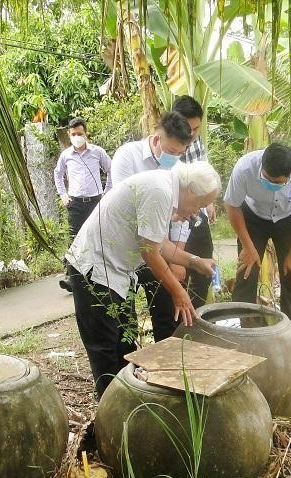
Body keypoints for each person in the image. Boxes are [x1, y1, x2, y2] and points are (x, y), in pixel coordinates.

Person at [66, 161, 221, 398]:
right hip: (94, 271)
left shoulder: (165, 188)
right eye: (199, 204)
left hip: (116, 274)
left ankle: (126, 401)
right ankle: (110, 413)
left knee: (124, 345)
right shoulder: (160, 191)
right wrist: (178, 292)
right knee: (106, 349)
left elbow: (160, 243)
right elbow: (149, 252)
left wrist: (193, 260)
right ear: (190, 190)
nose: (195, 213)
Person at [110, 111, 194, 342]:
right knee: (124, 319)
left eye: (179, 154)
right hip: (126, 250)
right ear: (157, 139)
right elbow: (128, 208)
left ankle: (167, 363)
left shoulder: (176, 167)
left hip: (159, 246)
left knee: (166, 312)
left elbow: (181, 217)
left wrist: (177, 258)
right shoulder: (127, 156)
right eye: (171, 152)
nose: (174, 158)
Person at [223, 142, 291, 329]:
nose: (272, 185)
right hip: (252, 217)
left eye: (278, 183)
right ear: (262, 167)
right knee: (247, 272)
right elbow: (232, 206)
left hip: (289, 218)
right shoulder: (245, 167)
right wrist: (247, 246)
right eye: (267, 179)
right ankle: (244, 330)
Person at [53, 117, 112, 292]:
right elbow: (58, 175)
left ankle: (101, 276)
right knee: (75, 240)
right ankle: (73, 278)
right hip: (76, 203)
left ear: (86, 134)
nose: (77, 137)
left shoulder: (97, 152)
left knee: (98, 237)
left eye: (80, 133)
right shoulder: (66, 155)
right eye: (73, 134)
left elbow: (111, 169)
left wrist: (107, 193)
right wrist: (63, 194)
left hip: (96, 202)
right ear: (69, 135)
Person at [170, 95, 215, 309]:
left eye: (197, 128)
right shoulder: (169, 150)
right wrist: (177, 255)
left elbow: (203, 176)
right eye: (189, 128)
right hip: (175, 219)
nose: (193, 134)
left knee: (203, 270)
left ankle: (198, 318)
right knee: (178, 273)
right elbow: (178, 205)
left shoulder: (197, 143)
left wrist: (207, 203)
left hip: (196, 216)